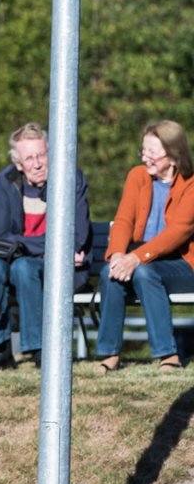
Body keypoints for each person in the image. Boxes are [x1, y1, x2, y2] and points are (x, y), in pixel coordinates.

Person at [0, 123, 91, 370]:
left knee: (23, 267)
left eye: (41, 155)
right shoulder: (6, 181)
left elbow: (76, 237)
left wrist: (21, 245)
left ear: (51, 153)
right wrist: (43, 244)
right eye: (29, 158)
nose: (37, 164)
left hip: (54, 267)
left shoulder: (72, 178)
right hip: (19, 260)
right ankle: (1, 348)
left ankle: (38, 349)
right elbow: (0, 236)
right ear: (18, 164)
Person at [96, 120, 194, 373]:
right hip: (143, 257)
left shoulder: (191, 184)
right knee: (110, 272)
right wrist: (118, 254)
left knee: (143, 271)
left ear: (172, 157)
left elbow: (178, 232)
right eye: (144, 150)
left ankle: (167, 354)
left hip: (183, 263)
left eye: (152, 152)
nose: (145, 157)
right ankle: (109, 353)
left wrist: (136, 258)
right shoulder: (137, 176)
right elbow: (124, 220)